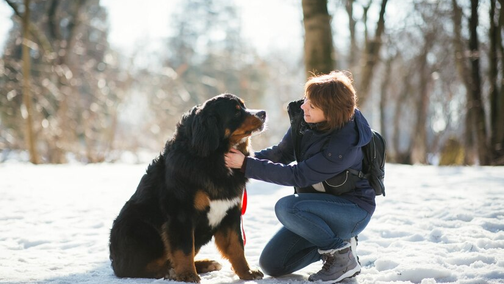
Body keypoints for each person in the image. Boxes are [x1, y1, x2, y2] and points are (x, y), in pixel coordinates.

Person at [225, 70, 375, 283]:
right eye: (306, 99)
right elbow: (283, 153)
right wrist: (243, 160)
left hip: (351, 210)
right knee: (272, 264)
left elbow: (298, 176)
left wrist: (246, 165)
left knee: (287, 207)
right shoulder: (306, 121)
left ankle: (341, 257)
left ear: (331, 112)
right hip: (317, 209)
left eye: (312, 105)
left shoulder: (345, 144)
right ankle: (340, 243)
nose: (304, 106)